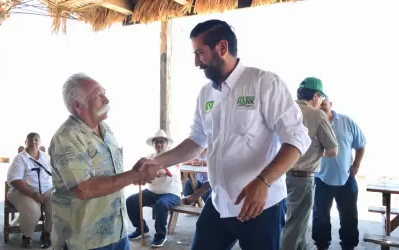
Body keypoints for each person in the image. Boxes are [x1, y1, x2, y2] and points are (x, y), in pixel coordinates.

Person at [133, 19, 311, 250]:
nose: (196, 62)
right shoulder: (206, 94)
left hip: (260, 205)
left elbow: (297, 139)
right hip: (218, 203)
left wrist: (263, 181)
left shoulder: (263, 83)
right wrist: (155, 162)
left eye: (200, 53)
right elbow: (197, 140)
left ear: (222, 48)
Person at [48, 73, 157, 250]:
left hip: (117, 233)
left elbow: (111, 176)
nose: (106, 99)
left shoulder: (105, 130)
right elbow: (85, 188)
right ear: (77, 105)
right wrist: (135, 175)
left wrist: (137, 172)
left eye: (104, 93)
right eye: (98, 95)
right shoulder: (67, 137)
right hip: (85, 241)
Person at [281, 77, 338, 250]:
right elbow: (333, 150)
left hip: (282, 175)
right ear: (316, 95)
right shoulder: (317, 115)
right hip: (303, 178)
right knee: (295, 227)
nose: (321, 102)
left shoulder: (285, 110)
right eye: (321, 98)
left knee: (296, 223)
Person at [312, 97, 366, 250]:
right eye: (319, 106)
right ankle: (321, 245)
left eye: (324, 105)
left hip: (346, 178)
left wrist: (356, 165)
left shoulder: (347, 122)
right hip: (320, 178)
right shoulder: (312, 122)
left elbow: (361, 145)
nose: (322, 108)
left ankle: (348, 246)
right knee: (320, 216)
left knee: (349, 216)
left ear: (331, 105)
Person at [126, 129, 182, 248]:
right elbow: (141, 170)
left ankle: (161, 235)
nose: (159, 144)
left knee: (161, 204)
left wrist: (148, 175)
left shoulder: (173, 157)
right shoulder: (150, 157)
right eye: (156, 142)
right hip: (153, 191)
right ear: (153, 144)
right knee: (131, 201)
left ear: (167, 143)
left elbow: (163, 171)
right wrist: (138, 174)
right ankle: (142, 229)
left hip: (171, 193)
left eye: (162, 141)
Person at [7, 132, 53, 248]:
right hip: (23, 192)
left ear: (40, 142)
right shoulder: (20, 158)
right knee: (33, 211)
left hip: (46, 191)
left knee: (57, 207)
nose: (33, 142)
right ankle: (27, 235)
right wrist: (32, 193)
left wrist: (49, 191)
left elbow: (55, 176)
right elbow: (14, 180)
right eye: (31, 140)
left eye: (36, 139)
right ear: (26, 142)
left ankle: (47, 232)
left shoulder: (46, 158)